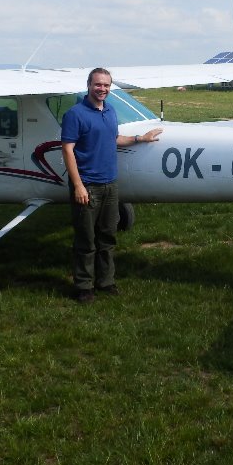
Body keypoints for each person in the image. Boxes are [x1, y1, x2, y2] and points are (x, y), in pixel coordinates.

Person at [61, 68, 162, 303]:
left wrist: (140, 138)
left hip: (110, 183)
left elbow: (114, 138)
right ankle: (84, 286)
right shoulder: (75, 114)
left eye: (106, 85)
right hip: (87, 184)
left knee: (107, 237)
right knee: (86, 240)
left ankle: (105, 282)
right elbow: (67, 149)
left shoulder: (109, 110)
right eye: (98, 84)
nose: (102, 89)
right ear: (89, 85)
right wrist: (78, 186)